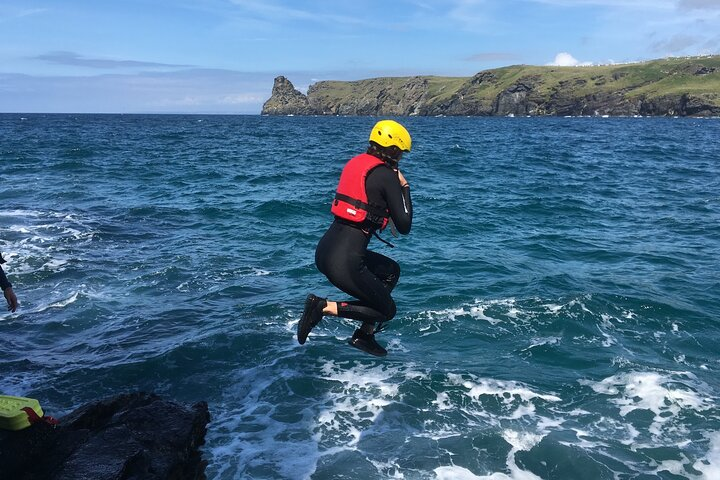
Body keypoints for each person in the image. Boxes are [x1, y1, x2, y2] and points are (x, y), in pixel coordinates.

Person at [298, 119, 413, 357]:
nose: (401, 157)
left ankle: (364, 335)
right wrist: (404, 187)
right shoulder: (386, 175)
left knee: (391, 271)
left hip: (326, 250)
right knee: (387, 310)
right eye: (401, 152)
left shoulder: (358, 164)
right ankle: (322, 307)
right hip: (346, 261)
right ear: (393, 150)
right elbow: (404, 225)